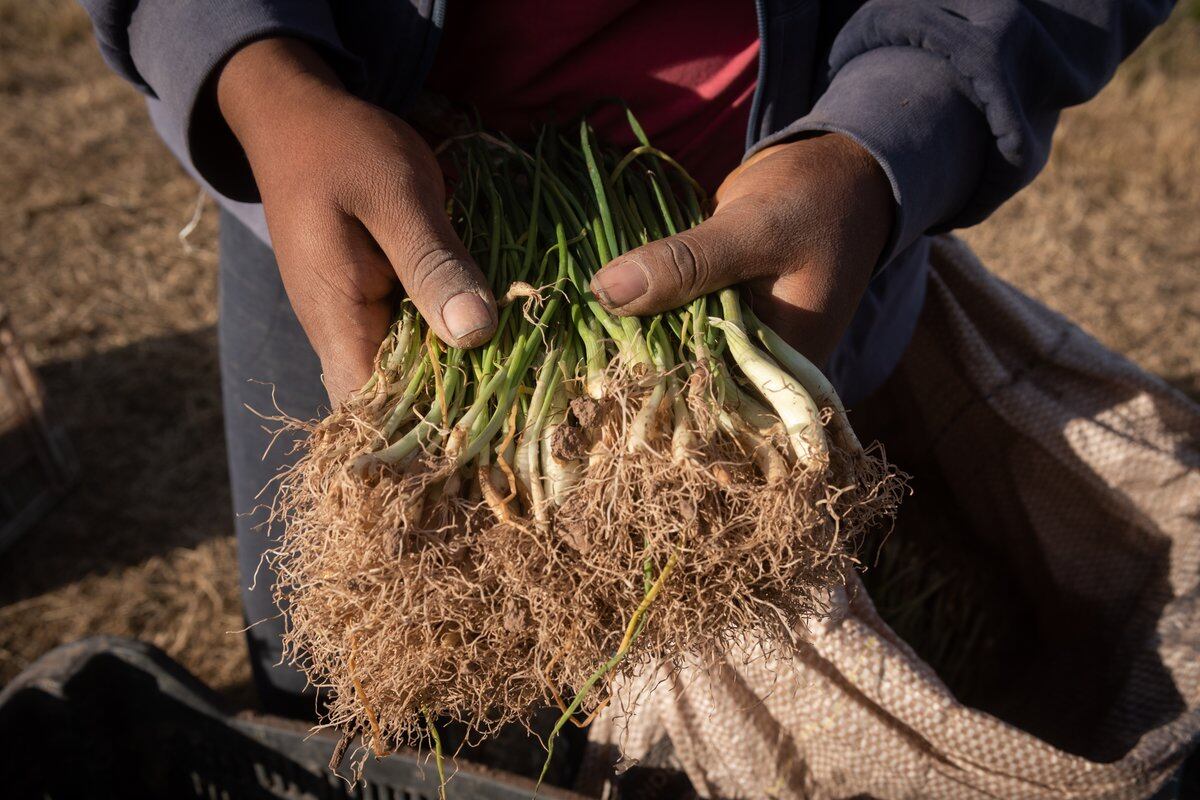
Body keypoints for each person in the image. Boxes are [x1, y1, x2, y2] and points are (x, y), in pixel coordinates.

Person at [81, 0, 1172, 718]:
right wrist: (251, 70)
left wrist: (894, 127)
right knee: (330, 660)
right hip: (349, 204)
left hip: (755, 227)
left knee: (691, 671)